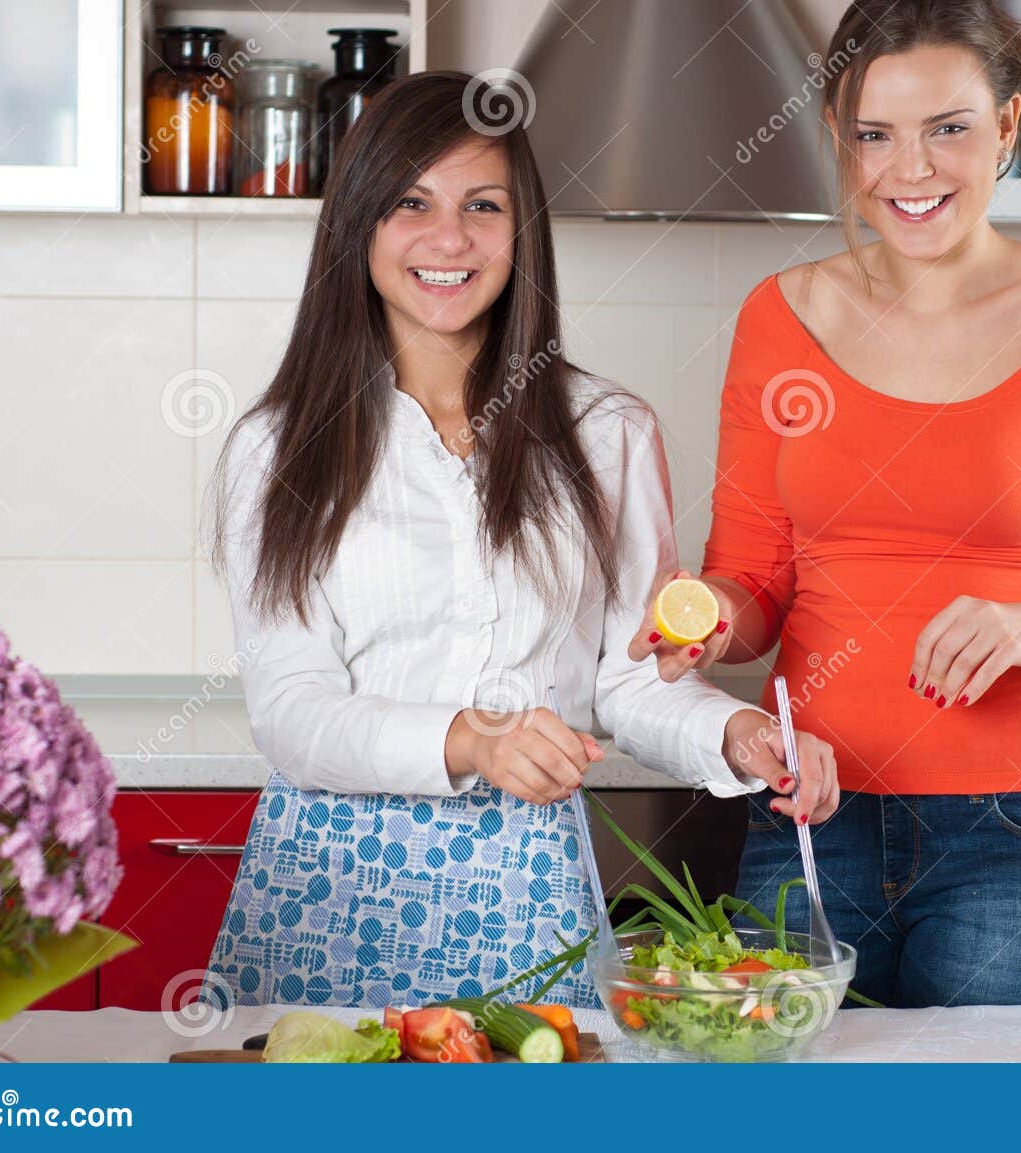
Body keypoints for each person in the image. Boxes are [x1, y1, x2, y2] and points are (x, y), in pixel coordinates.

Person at [631, 0, 1021, 1008]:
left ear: (1006, 125)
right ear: (838, 133)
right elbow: (754, 584)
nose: (907, 172)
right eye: (874, 135)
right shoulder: (780, 319)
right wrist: (695, 622)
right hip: (812, 824)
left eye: (946, 129)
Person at [202, 71, 837, 1009]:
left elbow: (628, 677)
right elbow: (291, 713)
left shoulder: (608, 431)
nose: (449, 238)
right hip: (322, 897)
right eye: (411, 203)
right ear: (357, 226)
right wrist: (468, 738)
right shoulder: (279, 446)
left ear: (521, 230)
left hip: (524, 900)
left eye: (483, 205)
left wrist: (735, 733)